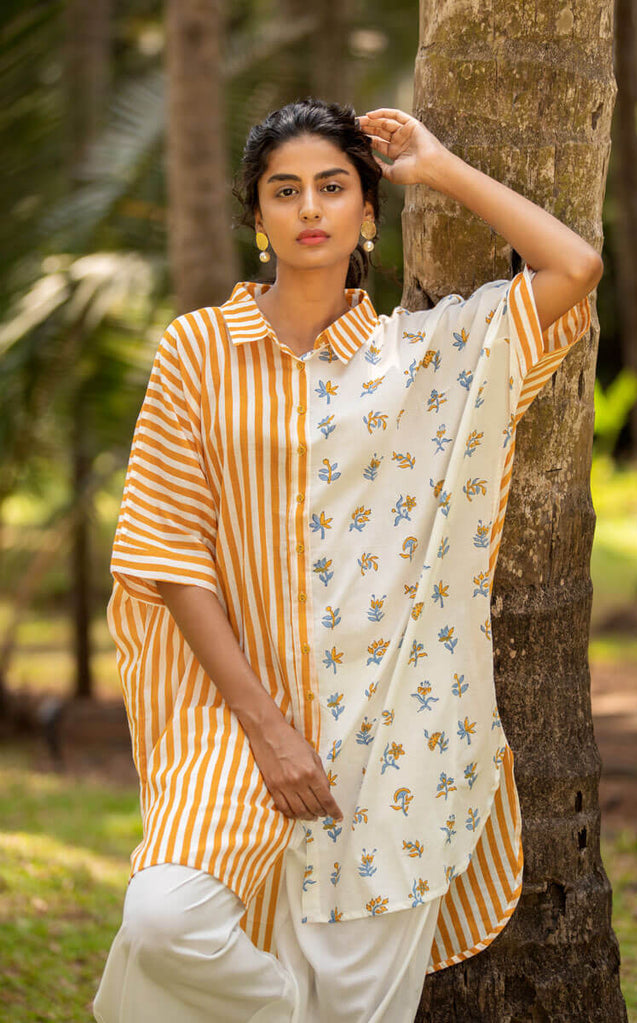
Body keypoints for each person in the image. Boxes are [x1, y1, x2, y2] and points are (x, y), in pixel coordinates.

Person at [93, 98, 601, 1023]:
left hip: (397, 733)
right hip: (233, 722)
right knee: (166, 921)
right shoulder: (196, 352)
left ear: (367, 211)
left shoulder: (428, 356)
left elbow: (573, 266)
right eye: (284, 191)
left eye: (332, 187)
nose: (309, 208)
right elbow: (170, 552)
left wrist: (436, 167)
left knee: (360, 1005)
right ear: (258, 217)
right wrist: (269, 731)